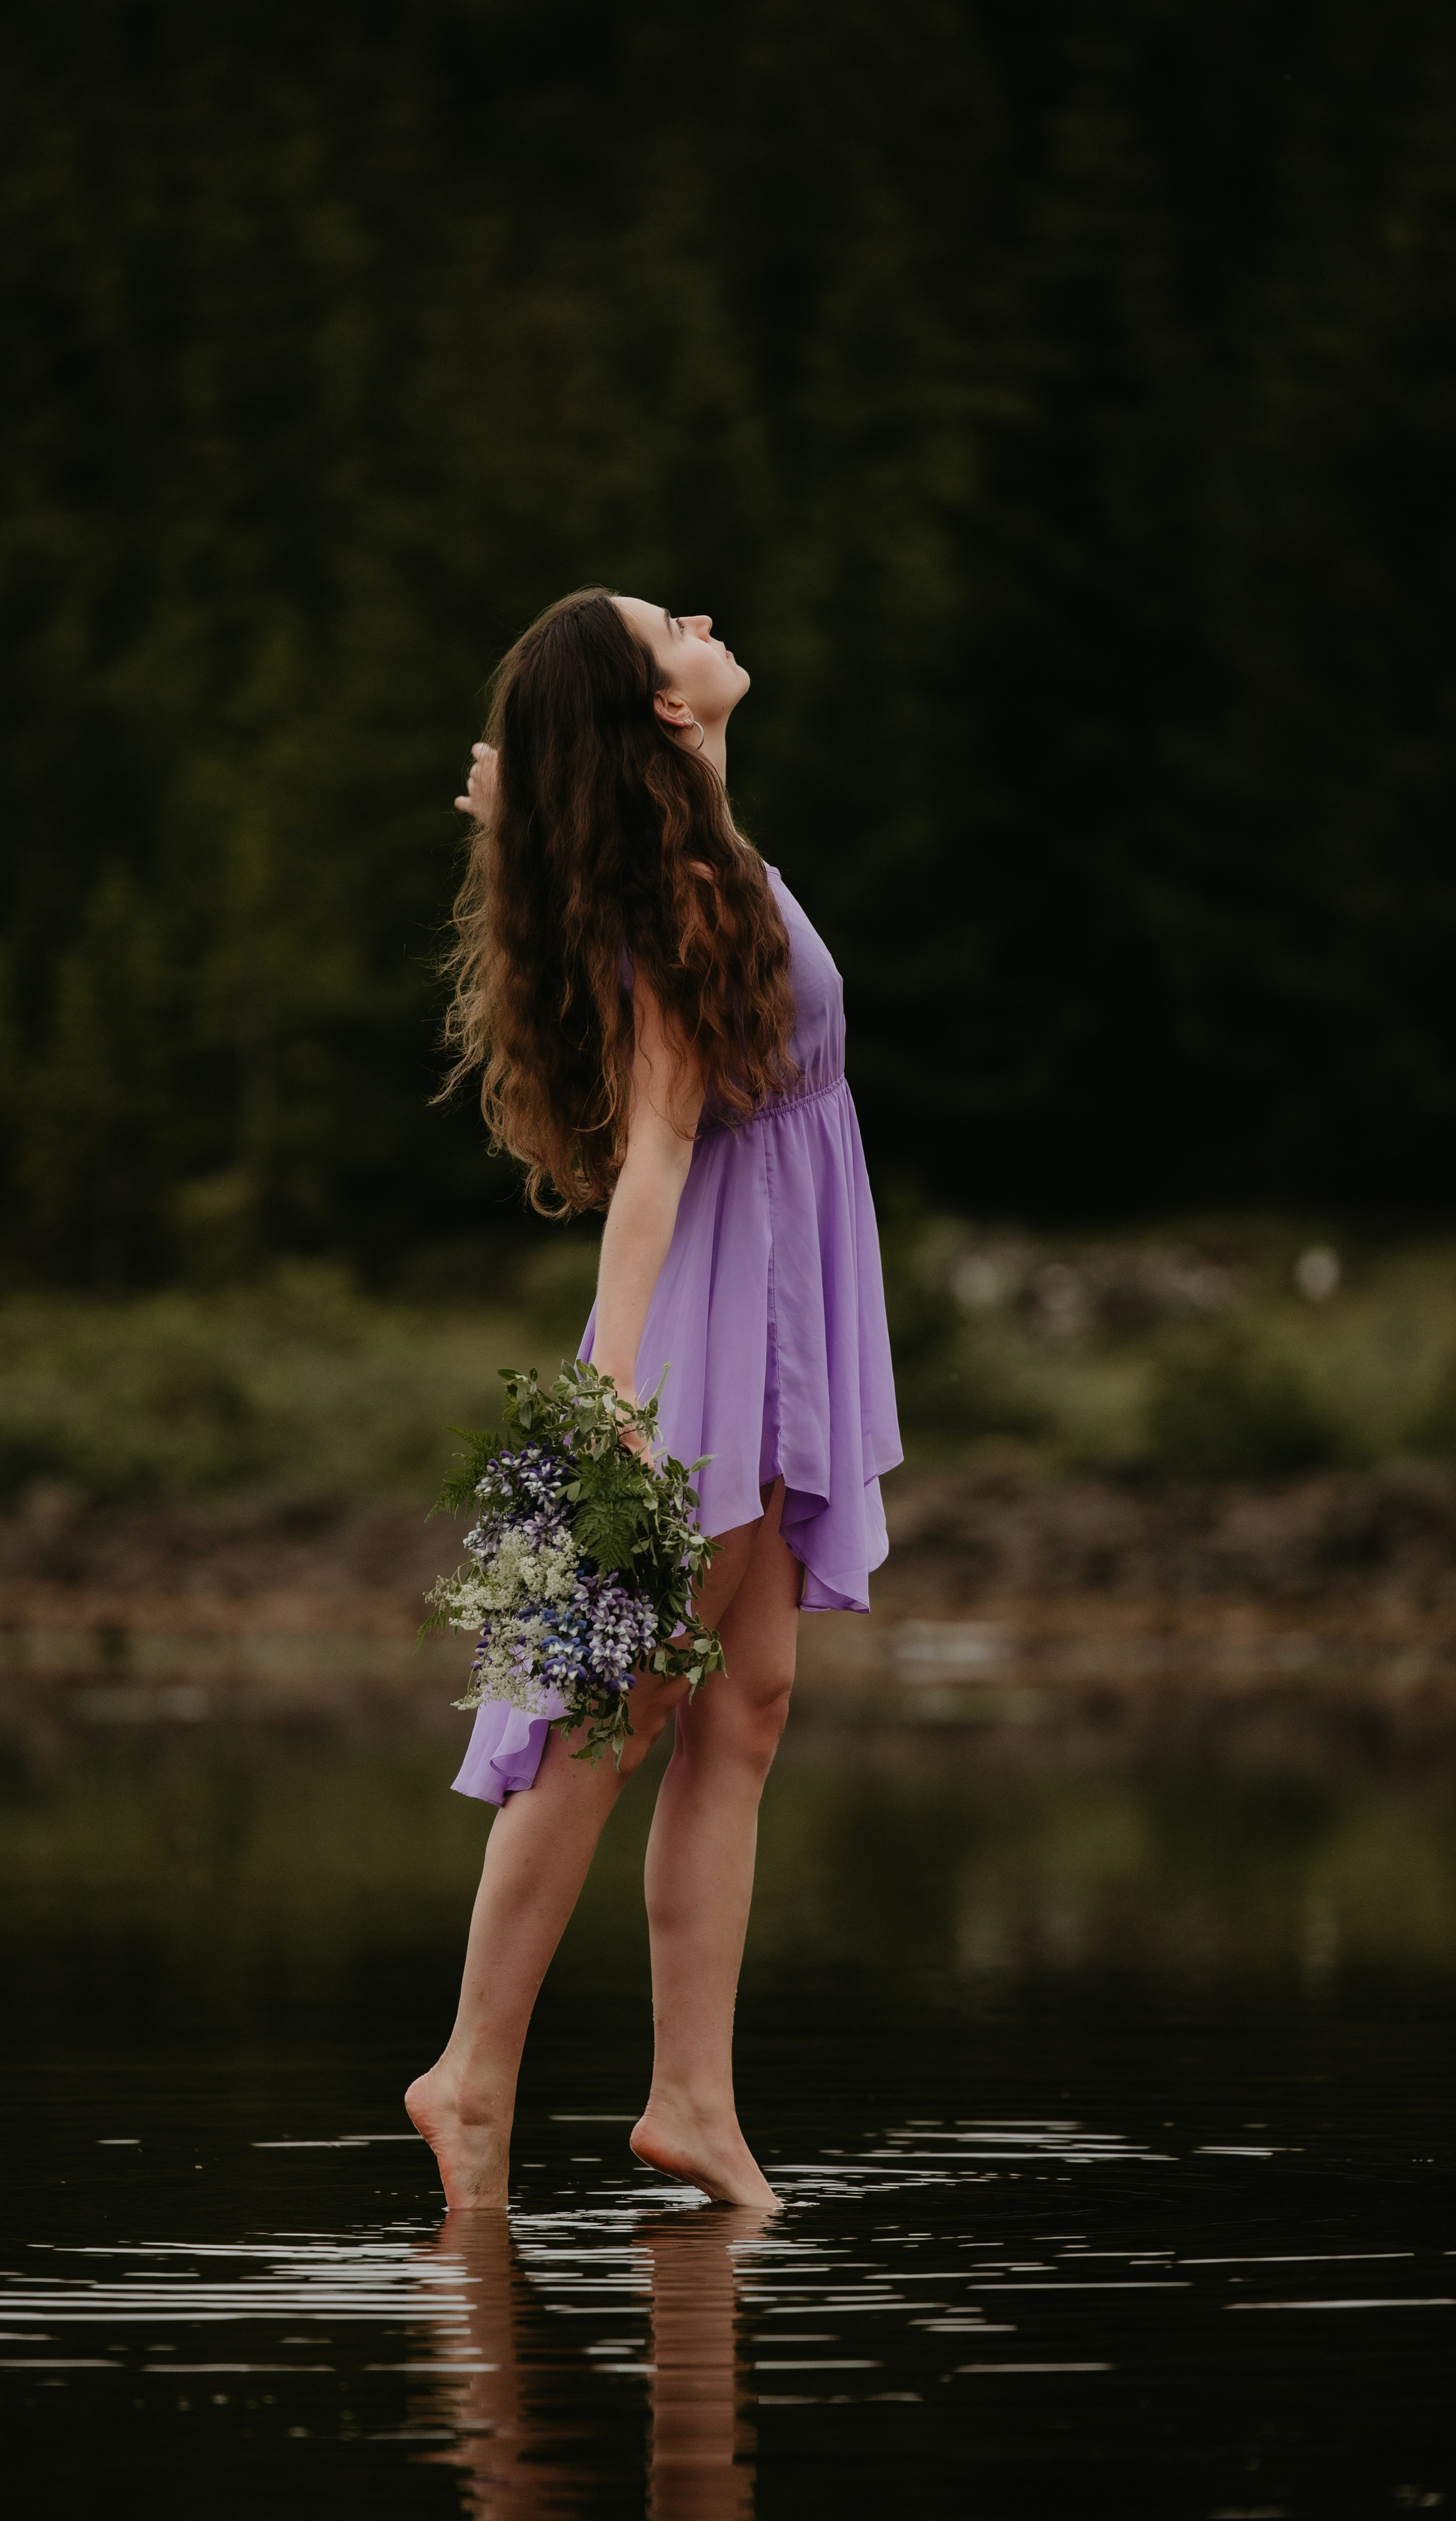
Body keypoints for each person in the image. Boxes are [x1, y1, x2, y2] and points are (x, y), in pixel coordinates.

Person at [406, 589, 901, 2212]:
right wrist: (613, 1399)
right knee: (604, 1720)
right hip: (713, 1325)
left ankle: (690, 2099)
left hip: (766, 1305)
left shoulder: (690, 859)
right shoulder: (689, 891)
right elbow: (662, 1151)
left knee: (741, 1703)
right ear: (665, 716)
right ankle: (470, 2078)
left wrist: (522, 817)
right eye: (667, 622)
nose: (701, 615)